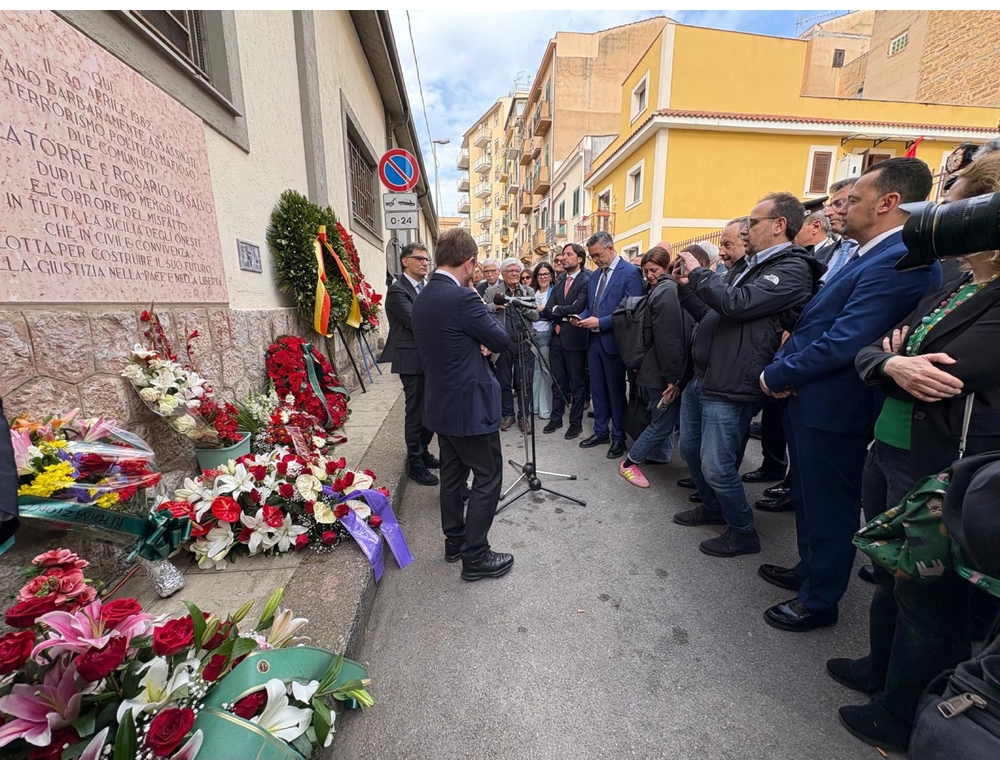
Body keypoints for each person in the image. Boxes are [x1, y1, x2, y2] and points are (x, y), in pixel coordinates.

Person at [828, 151, 1000, 751]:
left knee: (930, 598)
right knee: (889, 574)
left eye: (951, 203)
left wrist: (893, 359)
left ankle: (903, 712)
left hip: (943, 467)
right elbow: (878, 350)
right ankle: (879, 669)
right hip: (891, 447)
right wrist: (892, 361)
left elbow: (954, 370)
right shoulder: (957, 283)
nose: (937, 215)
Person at [758, 158, 943, 632]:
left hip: (835, 404)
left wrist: (777, 375)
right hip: (812, 398)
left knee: (830, 506)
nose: (842, 209)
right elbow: (818, 324)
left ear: (888, 203)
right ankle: (809, 570)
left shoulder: (902, 258)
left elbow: (843, 340)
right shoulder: (868, 254)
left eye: (854, 200)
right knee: (808, 495)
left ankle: (819, 600)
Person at [672, 193, 821, 557]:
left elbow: (735, 305)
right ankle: (711, 507)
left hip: (732, 382)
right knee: (691, 449)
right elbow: (715, 313)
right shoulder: (752, 266)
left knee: (718, 465)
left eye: (753, 223)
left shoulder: (791, 268)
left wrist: (701, 273)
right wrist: (687, 288)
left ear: (778, 225)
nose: (748, 229)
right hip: (705, 377)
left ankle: (742, 531)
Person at [411, 228, 514, 581]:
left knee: (453, 475)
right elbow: (500, 338)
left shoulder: (423, 296)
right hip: (471, 406)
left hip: (442, 405)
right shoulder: (463, 298)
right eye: (475, 266)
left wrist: (474, 341)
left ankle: (454, 543)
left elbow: (451, 343)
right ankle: (476, 555)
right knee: (488, 475)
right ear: (470, 263)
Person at [618, 246, 690, 488]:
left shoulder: (662, 290)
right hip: (659, 373)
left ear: (666, 266)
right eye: (645, 270)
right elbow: (668, 339)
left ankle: (659, 455)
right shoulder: (667, 290)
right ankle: (630, 463)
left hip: (654, 370)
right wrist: (672, 378)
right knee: (663, 422)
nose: (649, 275)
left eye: (653, 270)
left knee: (662, 417)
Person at [571, 231, 644, 459]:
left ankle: (619, 437)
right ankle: (601, 431)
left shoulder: (631, 273)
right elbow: (591, 306)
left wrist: (600, 322)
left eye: (597, 255)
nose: (595, 260)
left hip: (614, 342)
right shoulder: (595, 276)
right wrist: (579, 316)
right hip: (593, 340)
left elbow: (631, 311)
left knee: (615, 391)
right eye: (592, 256)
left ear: (611, 249)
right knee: (598, 391)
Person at [379, 242, 440, 486]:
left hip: (429, 357)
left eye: (427, 259)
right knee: (415, 412)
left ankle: (422, 451)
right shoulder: (397, 291)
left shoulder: (425, 287)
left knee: (431, 409)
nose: (425, 263)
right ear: (406, 261)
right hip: (411, 360)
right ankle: (414, 462)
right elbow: (418, 320)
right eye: (420, 259)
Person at [484, 258, 539, 434]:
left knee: (525, 381)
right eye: (510, 271)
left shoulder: (527, 290)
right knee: (503, 381)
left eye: (517, 271)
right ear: (503, 273)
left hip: (523, 342)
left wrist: (519, 304)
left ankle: (524, 417)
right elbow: (482, 312)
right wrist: (496, 305)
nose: (515, 274)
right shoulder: (492, 291)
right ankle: (508, 414)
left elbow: (536, 315)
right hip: (502, 344)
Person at [542, 243, 591, 439]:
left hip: (575, 340)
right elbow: (547, 309)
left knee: (576, 383)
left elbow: (578, 306)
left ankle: (575, 422)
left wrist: (558, 311)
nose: (563, 258)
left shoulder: (586, 281)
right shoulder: (560, 282)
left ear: (579, 258)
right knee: (557, 381)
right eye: (563, 254)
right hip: (556, 338)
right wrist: (563, 311)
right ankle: (556, 417)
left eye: (568, 254)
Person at [820, 177, 859, 284]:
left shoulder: (877, 253)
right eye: (830, 206)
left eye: (839, 203)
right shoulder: (819, 254)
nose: (827, 214)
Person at [530, 262, 555, 422]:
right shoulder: (532, 292)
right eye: (540, 274)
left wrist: (540, 311)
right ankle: (535, 407)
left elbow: (552, 312)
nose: (543, 277)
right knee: (535, 371)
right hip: (532, 334)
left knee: (547, 372)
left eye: (546, 274)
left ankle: (545, 410)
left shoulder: (554, 292)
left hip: (547, 334)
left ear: (551, 276)